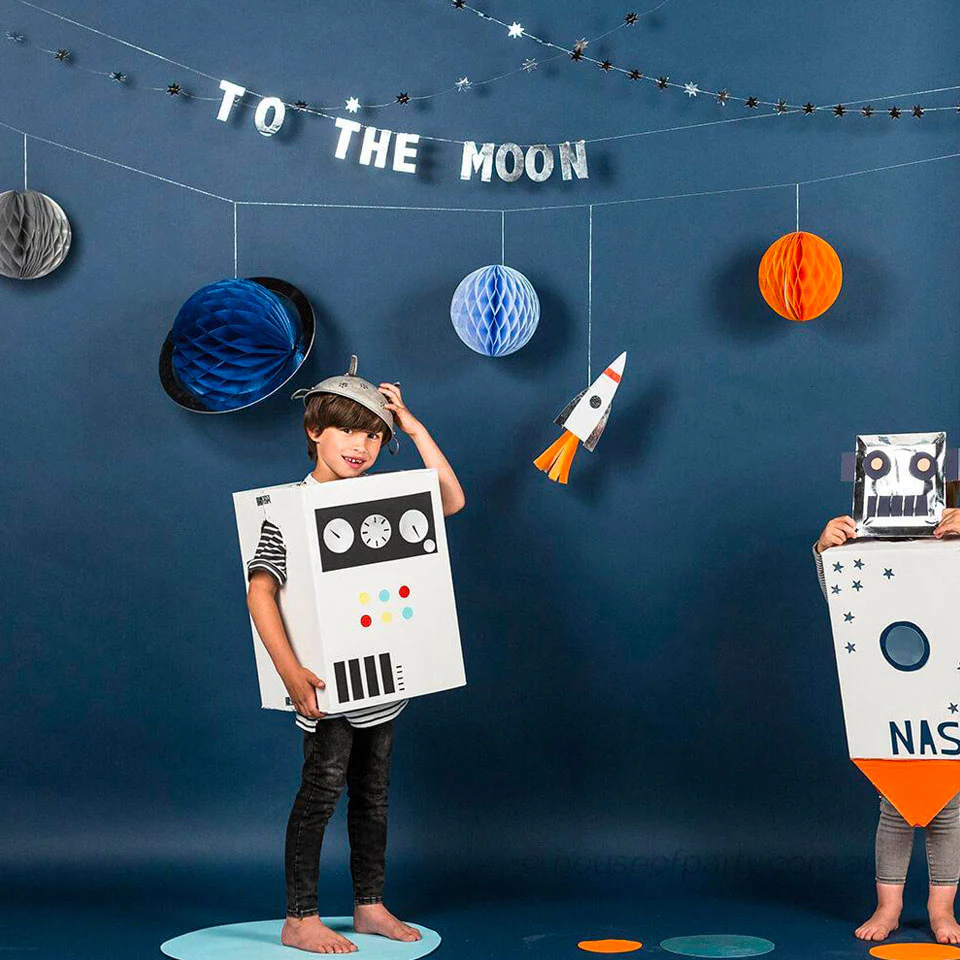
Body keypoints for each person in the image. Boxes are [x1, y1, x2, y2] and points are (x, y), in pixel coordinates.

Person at [246, 357, 466, 954]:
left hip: (382, 685)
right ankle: (300, 917)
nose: (361, 446)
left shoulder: (383, 499)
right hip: (325, 685)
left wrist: (413, 429)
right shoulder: (287, 507)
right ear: (314, 429)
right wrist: (290, 672)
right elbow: (261, 590)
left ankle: (369, 906)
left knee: (373, 796)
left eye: (372, 435)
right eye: (347, 430)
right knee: (321, 792)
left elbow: (450, 500)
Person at [814, 484, 960, 944]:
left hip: (948, 695)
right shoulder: (879, 554)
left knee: (948, 807)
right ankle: (889, 905)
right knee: (895, 804)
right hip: (896, 695)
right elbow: (847, 602)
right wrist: (826, 552)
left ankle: (941, 909)